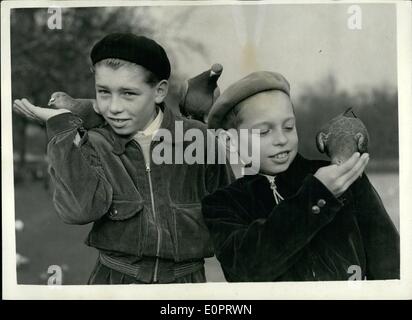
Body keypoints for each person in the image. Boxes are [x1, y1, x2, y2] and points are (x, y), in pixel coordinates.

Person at [13, 33, 233, 284]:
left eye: (128, 93)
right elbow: (78, 211)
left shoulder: (198, 138)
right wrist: (61, 129)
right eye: (104, 92)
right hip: (115, 283)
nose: (114, 107)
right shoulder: (95, 141)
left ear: (159, 91)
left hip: (185, 285)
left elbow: (231, 214)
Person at [202, 71, 400, 281]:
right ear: (229, 141)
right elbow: (249, 267)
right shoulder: (222, 205)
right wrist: (317, 196)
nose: (281, 139)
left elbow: (389, 263)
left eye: (288, 127)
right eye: (263, 132)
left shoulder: (344, 177)